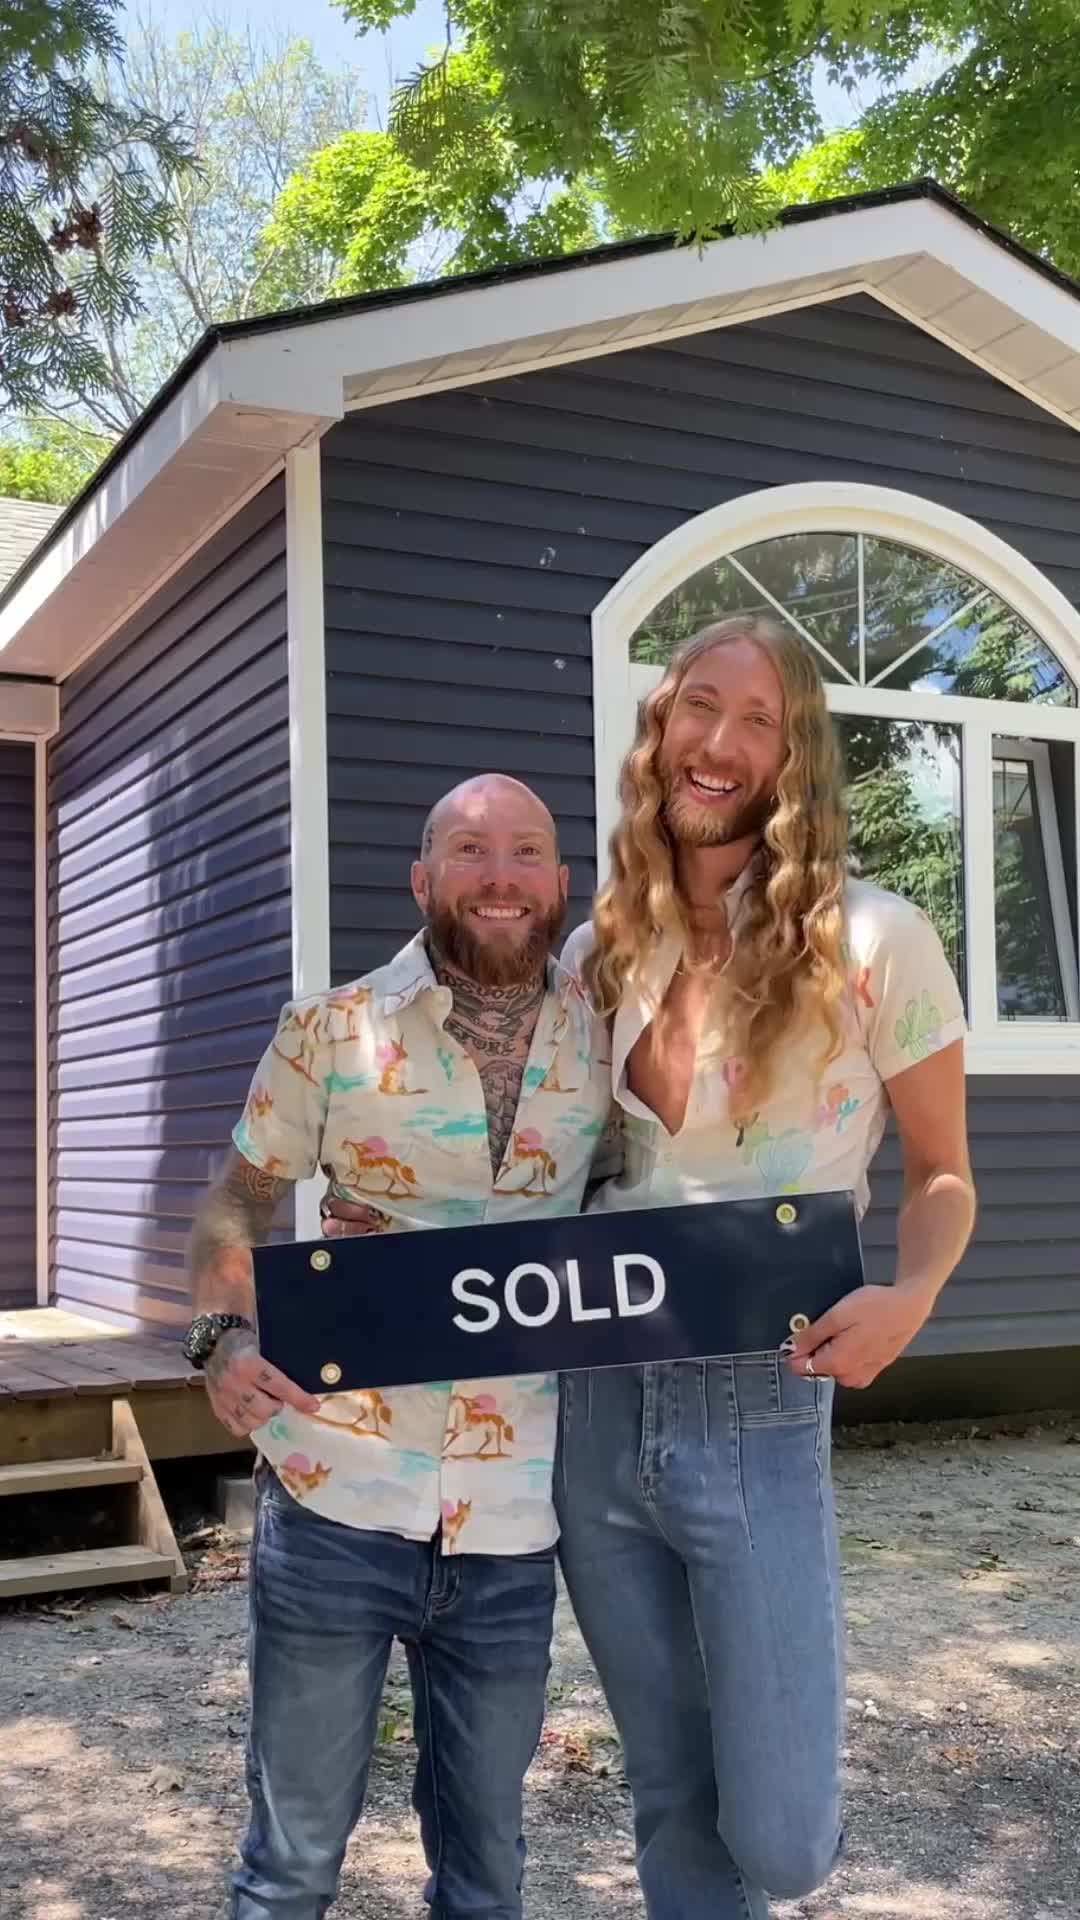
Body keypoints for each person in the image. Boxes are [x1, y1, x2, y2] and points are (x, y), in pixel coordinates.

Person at [555, 615, 977, 1919]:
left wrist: (911, 1297)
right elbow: (548, 1175)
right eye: (700, 705)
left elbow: (943, 1172)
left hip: (761, 1389)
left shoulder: (875, 940)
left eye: (760, 721)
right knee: (670, 1792)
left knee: (783, 1837)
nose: (721, 742)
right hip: (596, 1394)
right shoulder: (597, 951)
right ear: (660, 727)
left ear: (795, 761)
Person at [184, 773, 613, 1920]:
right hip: (336, 1495)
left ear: (560, 883)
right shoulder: (329, 1030)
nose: (499, 876)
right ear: (423, 879)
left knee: (487, 1880)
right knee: (290, 1870)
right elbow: (235, 1207)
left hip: (511, 1523)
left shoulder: (609, 1044)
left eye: (525, 851)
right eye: (470, 850)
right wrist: (221, 1336)